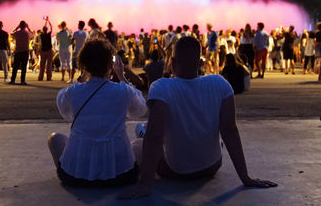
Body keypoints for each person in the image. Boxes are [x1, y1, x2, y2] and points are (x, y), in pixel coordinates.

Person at [118, 36, 277, 199]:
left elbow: (155, 136)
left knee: (138, 144)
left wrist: (145, 184)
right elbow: (229, 131)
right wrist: (245, 177)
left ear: (172, 62)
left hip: (176, 170)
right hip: (212, 166)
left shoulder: (161, 87)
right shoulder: (220, 83)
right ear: (201, 64)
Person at [47, 38, 147, 187]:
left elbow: (66, 114)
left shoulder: (72, 92)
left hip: (75, 176)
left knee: (54, 139)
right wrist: (121, 77)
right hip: (120, 174)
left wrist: (79, 81)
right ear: (110, 65)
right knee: (140, 143)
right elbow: (140, 110)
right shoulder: (122, 91)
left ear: (83, 64)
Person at [10, 21, 33, 85]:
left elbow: (11, 34)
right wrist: (28, 27)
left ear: (20, 26)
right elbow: (32, 35)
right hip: (25, 51)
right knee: (24, 67)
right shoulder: (27, 33)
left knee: (15, 67)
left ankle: (13, 80)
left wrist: (17, 28)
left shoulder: (17, 33)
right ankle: (22, 80)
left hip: (18, 51)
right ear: (25, 26)